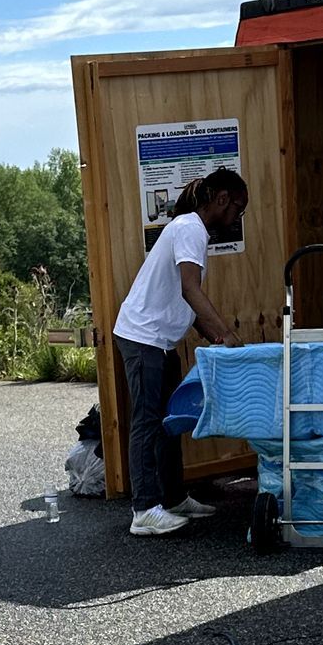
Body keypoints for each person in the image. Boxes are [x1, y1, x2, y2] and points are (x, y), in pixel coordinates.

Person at [113, 168, 246, 537]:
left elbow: (184, 301)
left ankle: (171, 498)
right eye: (238, 208)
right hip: (142, 338)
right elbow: (190, 289)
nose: (237, 216)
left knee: (169, 421)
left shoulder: (191, 230)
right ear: (221, 200)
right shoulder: (189, 228)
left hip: (160, 340)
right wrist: (225, 333)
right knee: (147, 421)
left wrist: (213, 336)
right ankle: (144, 510)